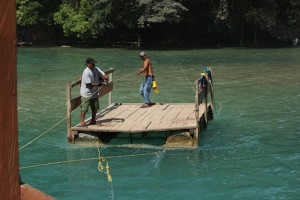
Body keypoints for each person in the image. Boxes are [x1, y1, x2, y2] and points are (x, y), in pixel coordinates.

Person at [80, 57, 107, 126]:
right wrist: (100, 84)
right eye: (92, 64)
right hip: (86, 93)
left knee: (95, 107)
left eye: (94, 63)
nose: (94, 64)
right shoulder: (86, 72)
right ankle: (82, 122)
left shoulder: (95, 68)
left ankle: (93, 120)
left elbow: (102, 74)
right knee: (84, 108)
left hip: (94, 92)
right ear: (88, 64)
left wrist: (105, 78)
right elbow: (89, 85)